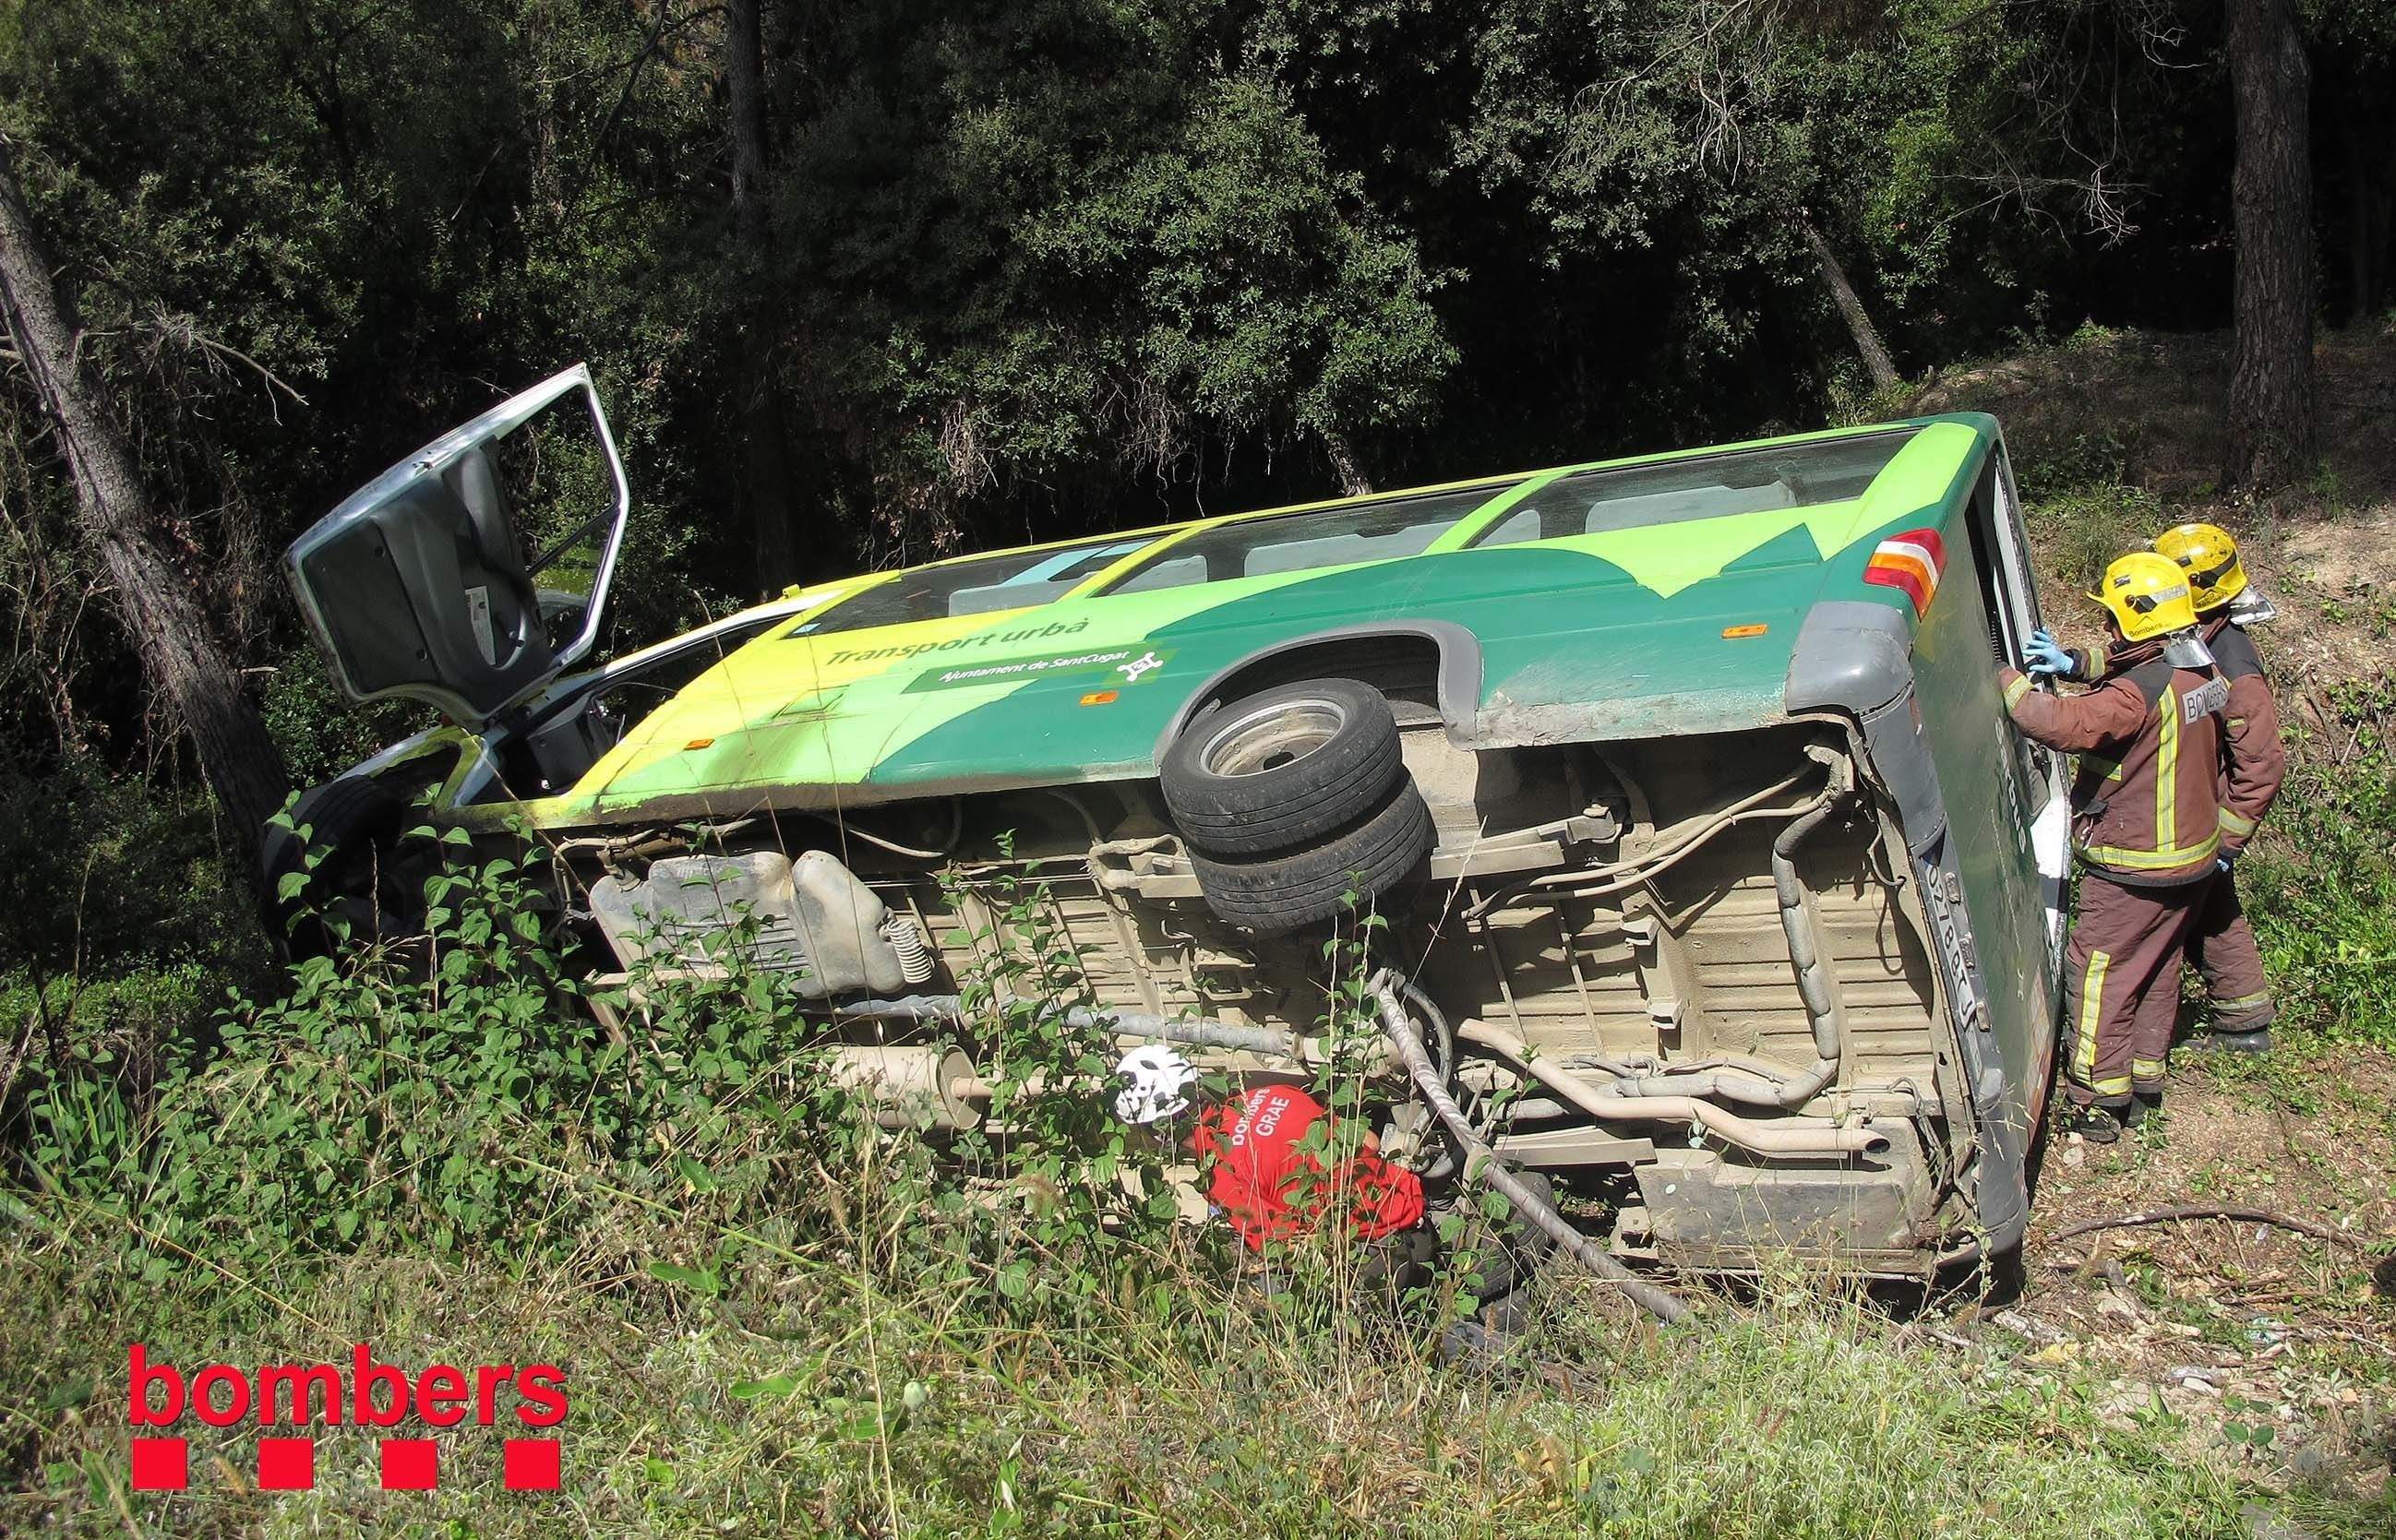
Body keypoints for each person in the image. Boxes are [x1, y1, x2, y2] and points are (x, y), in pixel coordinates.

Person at [2007, 552, 2232, 1143]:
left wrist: (1997, 678)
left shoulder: (2141, 691)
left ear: (2137, 619)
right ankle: (2144, 1079)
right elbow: (2132, 664)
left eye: (2112, 618)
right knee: (2154, 966)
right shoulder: (2199, 668)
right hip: (2193, 858)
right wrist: (2078, 662)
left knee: (2098, 971)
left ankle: (2097, 1100)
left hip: (2138, 863)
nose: (2107, 628)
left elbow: (2063, 724)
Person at [1113, 1045, 1431, 1276]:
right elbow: (1370, 1143)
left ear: (1159, 1130)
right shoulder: (1272, 1093)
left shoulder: (1219, 1176)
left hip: (1379, 1264)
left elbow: (1288, 1249)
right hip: (1416, 1214)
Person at [2152, 522, 2282, 1054]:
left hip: (2208, 822)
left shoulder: (2233, 664)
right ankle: (2245, 1025)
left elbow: (2261, 765)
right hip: (2197, 810)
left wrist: (2226, 843)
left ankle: (2144, 1049)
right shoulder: (2195, 640)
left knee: (2168, 921)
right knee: (2214, 913)